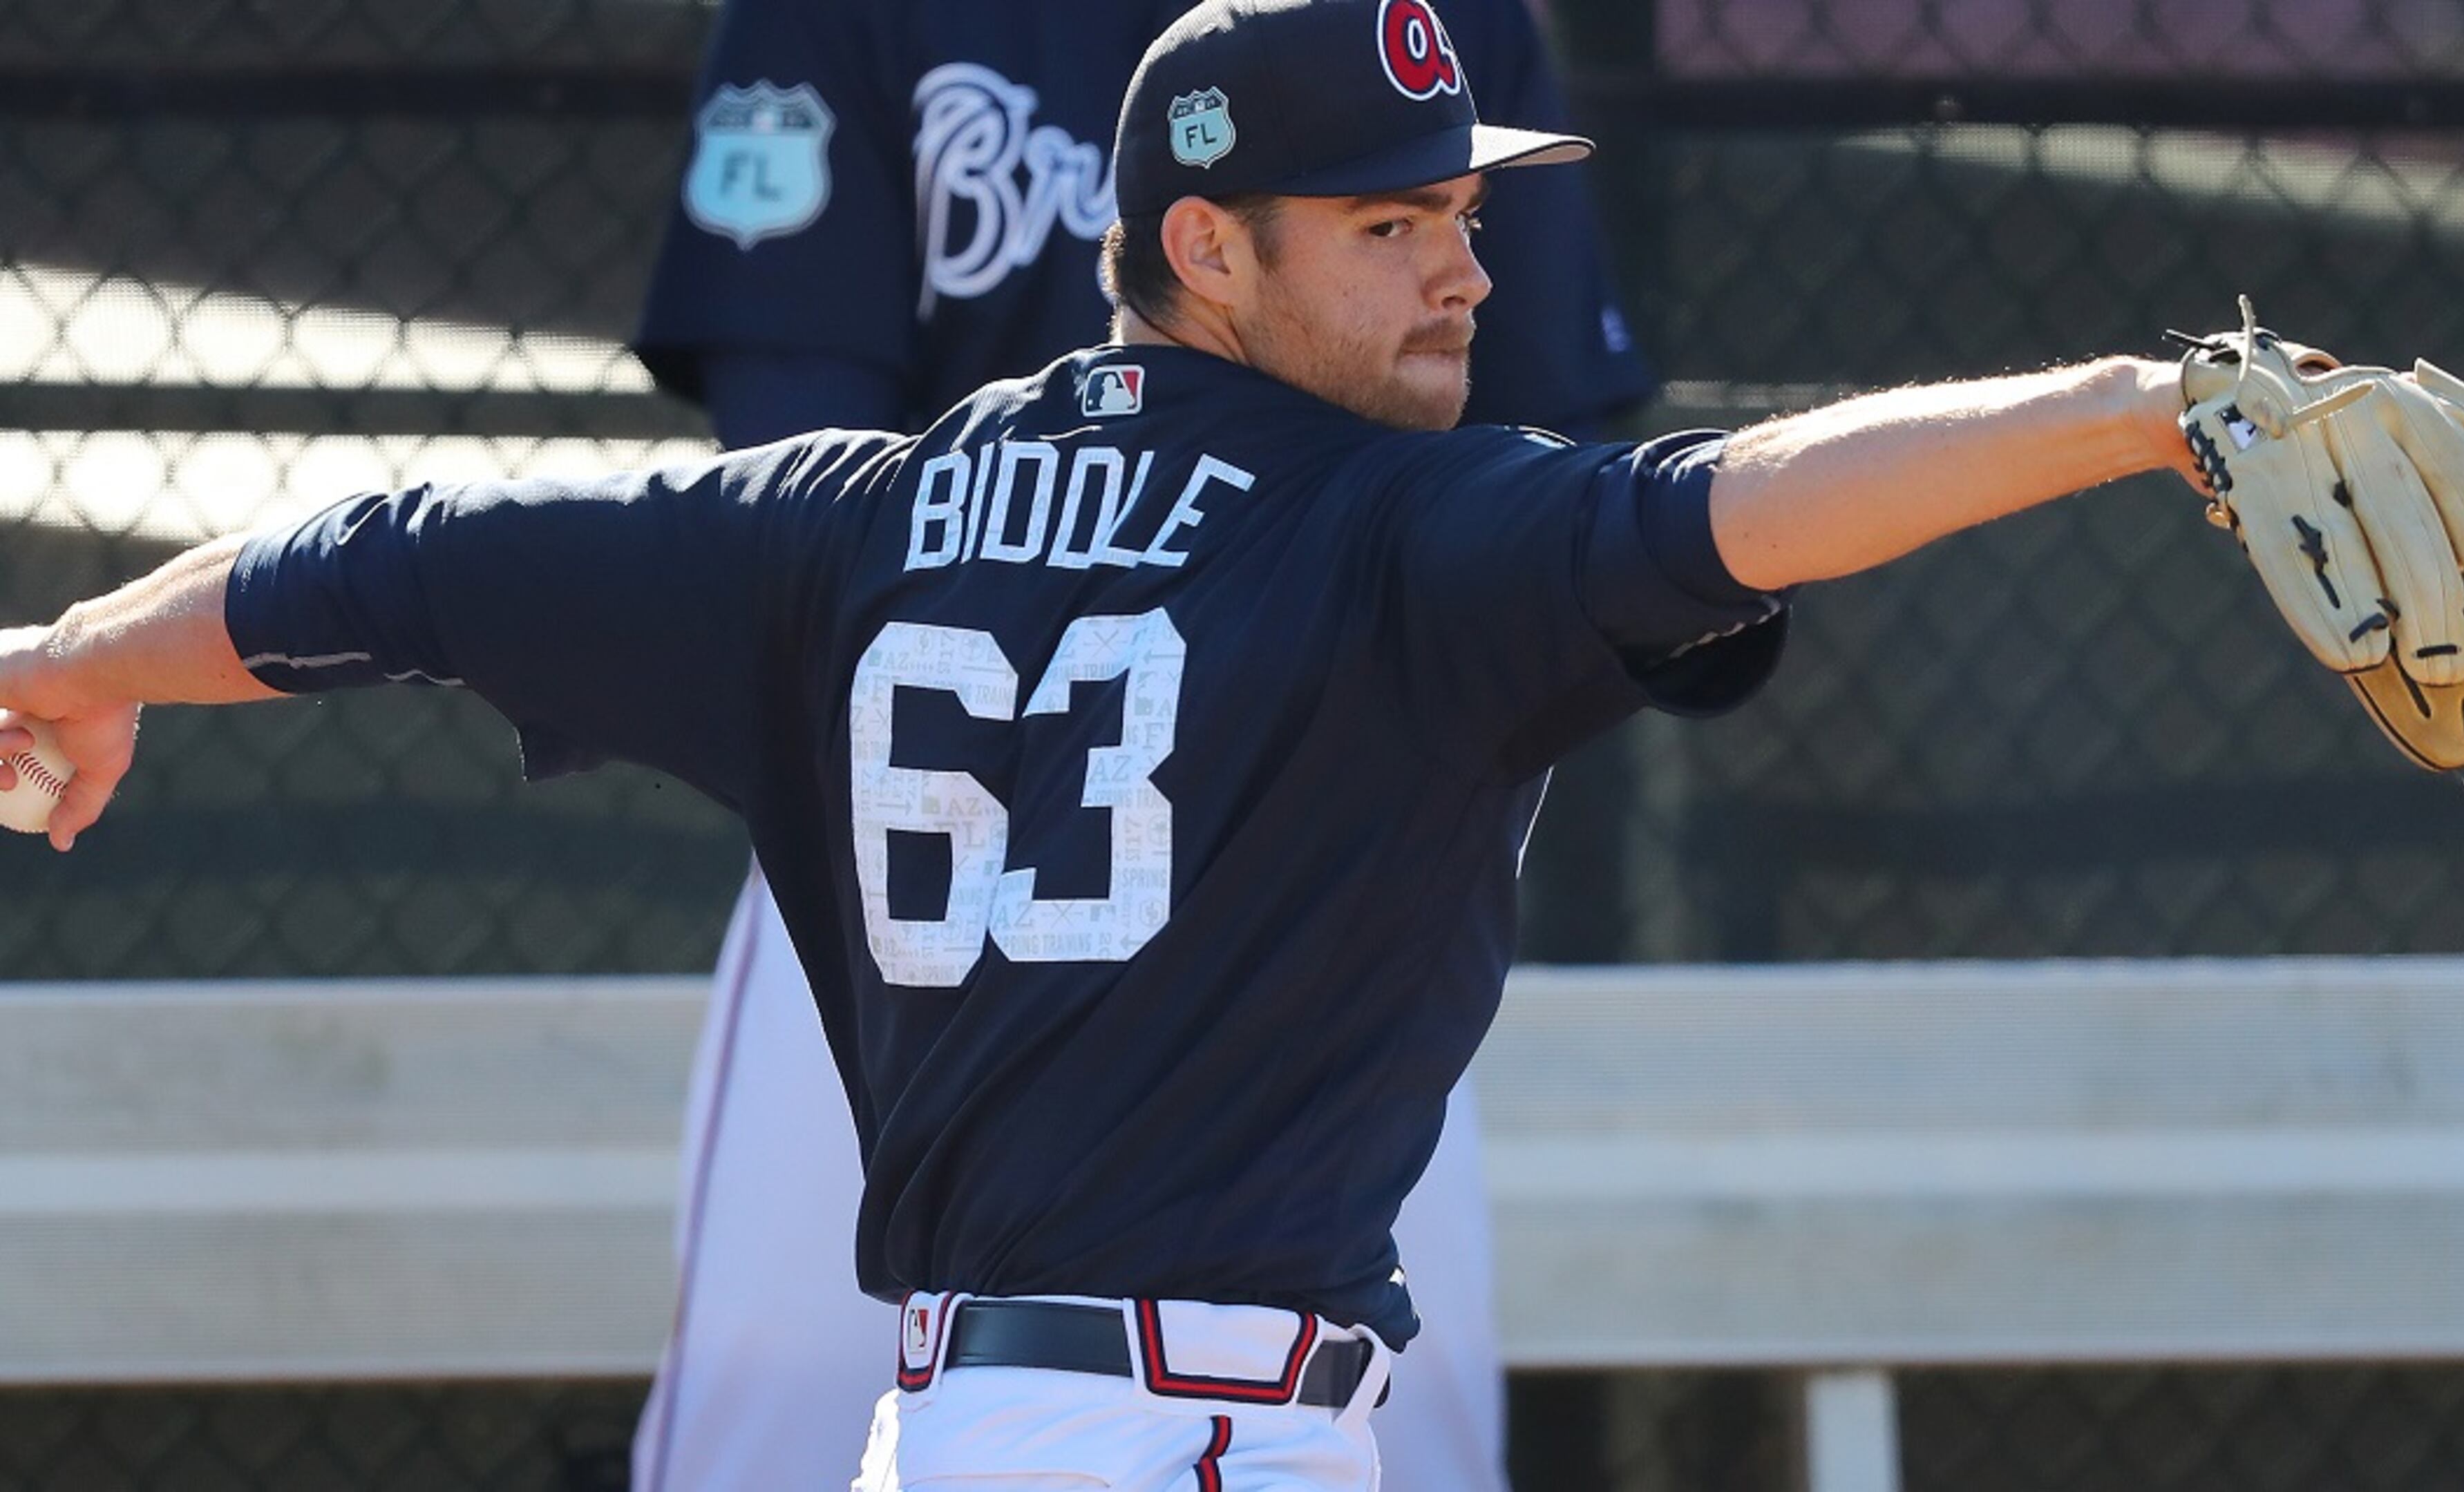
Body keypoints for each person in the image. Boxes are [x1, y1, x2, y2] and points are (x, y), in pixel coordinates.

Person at [0, 1, 2206, 1485]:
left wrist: (79, 658)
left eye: (1458, 214)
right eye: (1387, 225)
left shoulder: (832, 526)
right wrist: (2135, 408)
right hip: (1203, 1441)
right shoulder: (1408, 531)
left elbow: (396, 564)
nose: (1462, 272)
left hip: (958, 1432)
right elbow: (1759, 496)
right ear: (1202, 249)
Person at [626, 0, 1648, 1485]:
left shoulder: (1437, 22)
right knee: (767, 1410)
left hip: (1318, 827)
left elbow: (1531, 443)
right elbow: (798, 476)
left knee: (1394, 1414)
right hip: (928, 816)